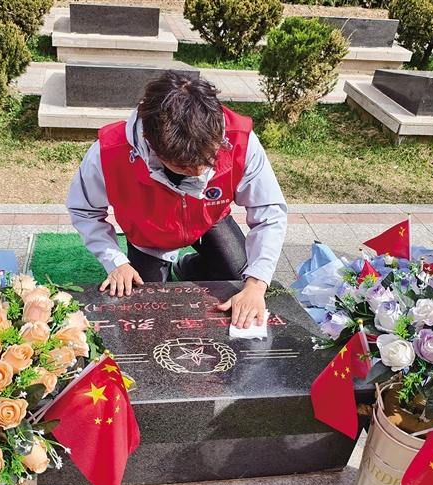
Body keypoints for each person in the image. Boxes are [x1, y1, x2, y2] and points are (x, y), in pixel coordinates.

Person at [67, 71, 287, 328]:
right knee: (143, 303)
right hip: (148, 236)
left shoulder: (241, 139)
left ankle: (188, 267)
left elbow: (269, 212)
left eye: (208, 161)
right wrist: (116, 262)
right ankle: (159, 263)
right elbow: (84, 210)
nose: (199, 173)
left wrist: (257, 284)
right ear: (152, 145)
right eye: (184, 168)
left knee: (239, 277)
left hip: (209, 221)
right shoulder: (109, 152)